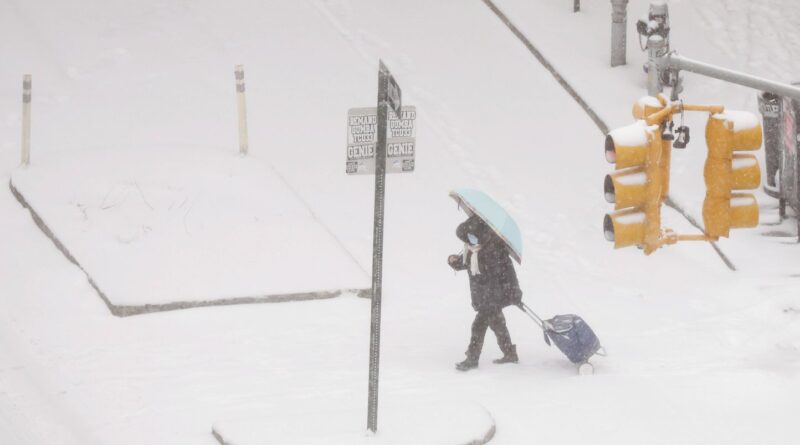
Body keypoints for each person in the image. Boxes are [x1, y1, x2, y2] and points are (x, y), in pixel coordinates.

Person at [448, 214, 522, 371]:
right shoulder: (472, 249)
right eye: (466, 237)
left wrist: (514, 292)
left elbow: (507, 273)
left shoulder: (495, 249)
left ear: (480, 234)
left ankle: (472, 359)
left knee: (478, 326)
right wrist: (454, 262)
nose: (469, 240)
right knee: (498, 324)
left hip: (492, 295)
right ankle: (510, 353)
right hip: (482, 294)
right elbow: (468, 265)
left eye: (471, 236)